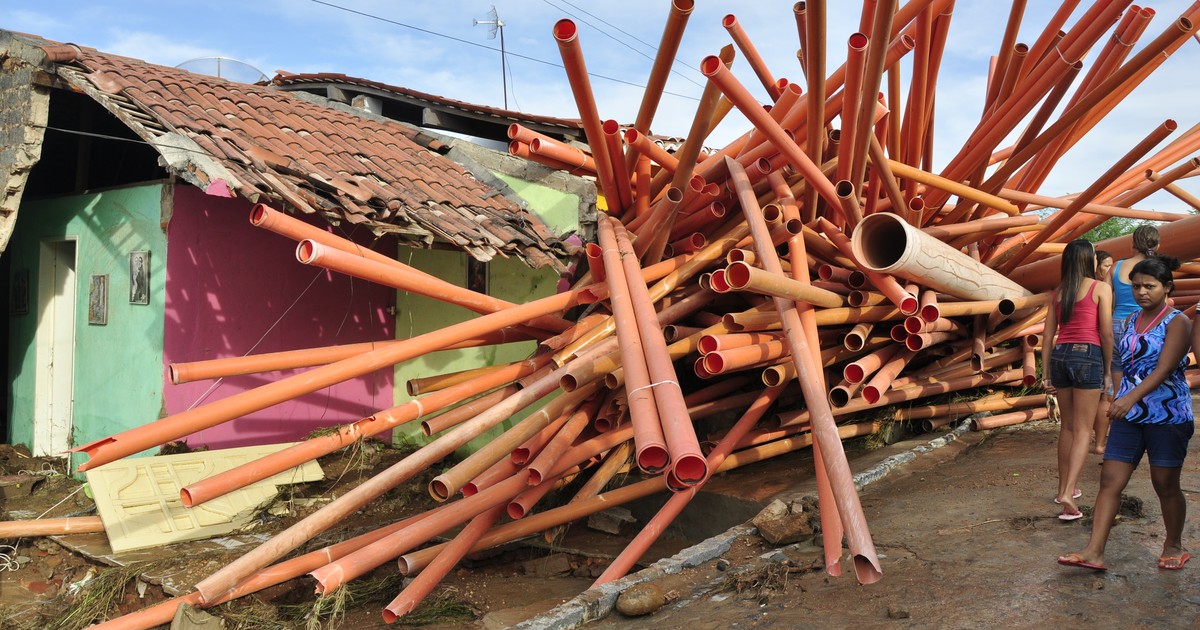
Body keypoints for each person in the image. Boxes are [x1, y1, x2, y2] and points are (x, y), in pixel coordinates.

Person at [1058, 256, 1193, 571]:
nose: (1142, 292)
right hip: (1129, 415)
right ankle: (1094, 551)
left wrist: (1129, 398)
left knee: (1165, 483)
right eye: (1136, 286)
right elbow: (1118, 361)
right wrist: (1117, 393)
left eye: (1150, 286)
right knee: (1109, 480)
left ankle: (1173, 545)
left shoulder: (1177, 322)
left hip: (1167, 415)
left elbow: (1165, 368)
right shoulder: (1129, 322)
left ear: (1167, 287)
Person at [1042, 239, 1112, 520]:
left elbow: (1048, 335)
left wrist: (1046, 372)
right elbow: (1106, 334)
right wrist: (1108, 371)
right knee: (1084, 430)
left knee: (1068, 429)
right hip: (1088, 356)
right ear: (1088, 260)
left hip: (1060, 357)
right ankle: (1068, 493)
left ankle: (1064, 487)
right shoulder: (1100, 288)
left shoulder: (1058, 292)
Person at [1109, 226, 1160, 401]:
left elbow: (1106, 300)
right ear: (1157, 245)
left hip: (1115, 323)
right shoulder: (1157, 268)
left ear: (1133, 243)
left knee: (1117, 367)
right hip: (1145, 322)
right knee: (1146, 366)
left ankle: (1119, 406)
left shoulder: (1117, 266)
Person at [1092, 250, 1115, 454]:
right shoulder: (1100, 289)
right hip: (1098, 343)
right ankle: (1100, 442)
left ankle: (1101, 439)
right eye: (1107, 265)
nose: (1110, 270)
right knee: (1106, 396)